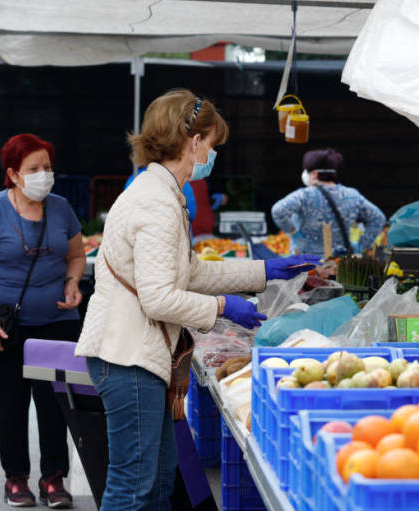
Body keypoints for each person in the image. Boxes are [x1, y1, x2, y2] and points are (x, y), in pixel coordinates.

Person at [75, 89, 317, 510]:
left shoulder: (162, 192)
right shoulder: (156, 201)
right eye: (213, 145)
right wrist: (223, 307)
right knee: (133, 486)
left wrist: (263, 271)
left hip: (134, 354)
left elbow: (192, 272)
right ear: (194, 141)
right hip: (127, 356)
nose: (213, 155)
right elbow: (158, 298)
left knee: (158, 480)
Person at [0, 133, 84, 507]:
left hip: (57, 321)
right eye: (34, 169)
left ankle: (54, 479)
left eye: (47, 167)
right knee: (11, 403)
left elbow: (76, 256)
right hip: (5, 326)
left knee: (55, 404)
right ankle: (15, 479)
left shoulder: (61, 208)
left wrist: (72, 281)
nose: (43, 175)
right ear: (13, 174)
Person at [271, 148, 386, 256]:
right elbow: (378, 218)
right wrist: (361, 245)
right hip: (339, 262)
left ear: (315, 174)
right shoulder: (353, 195)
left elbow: (278, 210)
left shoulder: (304, 195)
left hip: (306, 261)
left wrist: (294, 234)